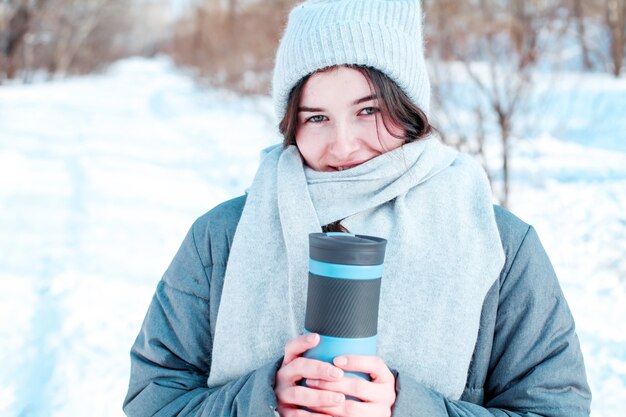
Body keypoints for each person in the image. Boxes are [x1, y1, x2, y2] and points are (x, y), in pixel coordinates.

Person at [123, 1, 591, 416]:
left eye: (368, 110)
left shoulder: (498, 243)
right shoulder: (222, 236)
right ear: (291, 123)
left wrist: (406, 410)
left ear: (408, 107)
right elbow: (154, 398)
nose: (343, 144)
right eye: (317, 117)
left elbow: (555, 407)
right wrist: (261, 401)